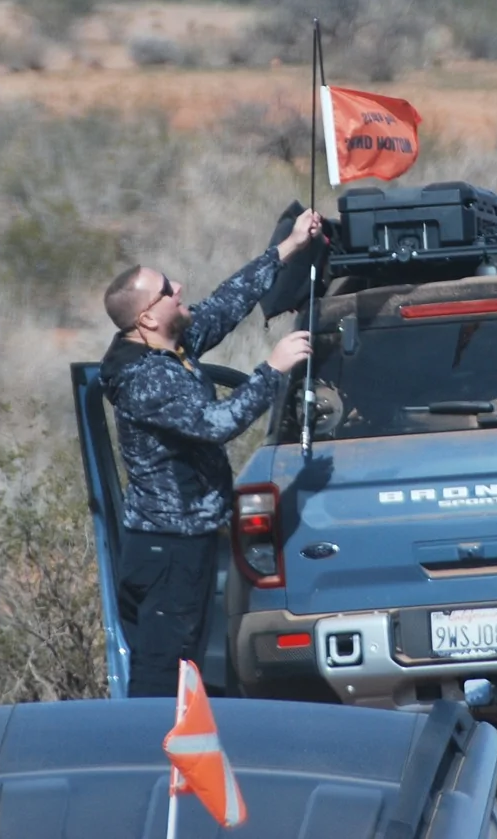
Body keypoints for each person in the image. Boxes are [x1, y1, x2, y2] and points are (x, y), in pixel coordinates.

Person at [98, 209, 323, 697]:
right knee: (163, 676)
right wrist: (272, 369)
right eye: (167, 289)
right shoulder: (145, 378)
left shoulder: (168, 345)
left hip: (184, 544)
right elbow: (217, 424)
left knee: (186, 668)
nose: (179, 288)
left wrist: (287, 248)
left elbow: (224, 305)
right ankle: (149, 746)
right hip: (167, 551)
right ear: (147, 318)